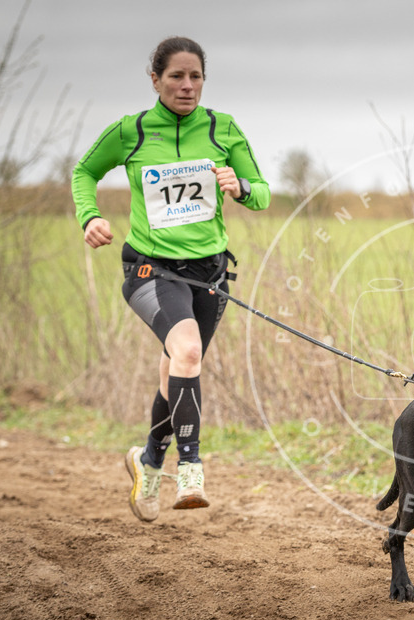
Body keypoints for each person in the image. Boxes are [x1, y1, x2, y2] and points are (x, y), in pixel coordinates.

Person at [72, 36, 270, 522]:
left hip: (210, 272)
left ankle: (148, 460)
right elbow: (84, 172)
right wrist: (89, 217)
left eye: (195, 76)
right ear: (155, 79)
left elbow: (262, 193)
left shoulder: (223, 129)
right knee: (187, 353)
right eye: (177, 76)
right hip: (151, 268)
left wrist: (239, 186)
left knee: (175, 371)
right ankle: (191, 467)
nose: (187, 86)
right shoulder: (131, 131)